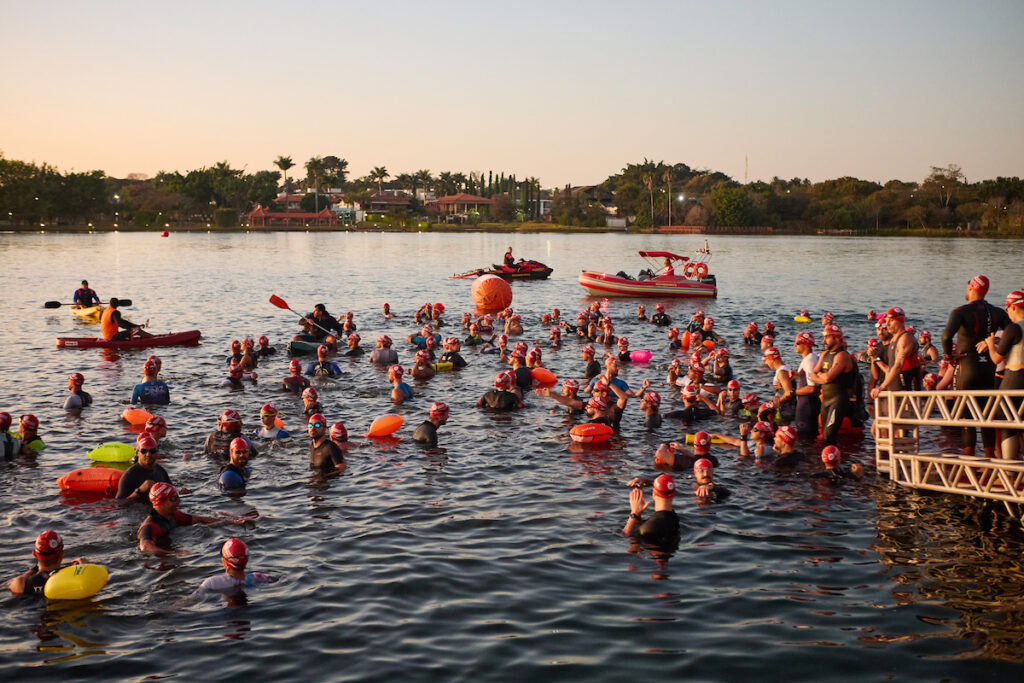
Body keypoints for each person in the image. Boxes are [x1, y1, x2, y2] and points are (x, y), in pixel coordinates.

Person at [942, 275, 1011, 457]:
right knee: (987, 416)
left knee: (967, 417)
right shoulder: (997, 312)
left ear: (972, 288)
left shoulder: (960, 311)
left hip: (967, 366)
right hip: (989, 367)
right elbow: (1013, 331)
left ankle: (970, 465)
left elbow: (946, 337)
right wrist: (995, 339)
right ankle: (989, 461)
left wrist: (949, 356)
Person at [138, 483, 244, 556]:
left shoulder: (174, 515)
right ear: (160, 502)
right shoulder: (150, 526)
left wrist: (232, 522)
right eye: (174, 499)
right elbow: (145, 548)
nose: (179, 502)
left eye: (177, 497)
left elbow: (200, 519)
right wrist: (175, 554)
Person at [979, 290, 1024, 459]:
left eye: (1007, 309)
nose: (1008, 314)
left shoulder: (1013, 328)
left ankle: (1009, 471)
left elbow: (997, 358)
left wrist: (991, 344)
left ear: (1012, 307)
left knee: (1006, 422)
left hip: (1014, 377)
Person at [810, 324, 855, 446]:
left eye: (827, 337)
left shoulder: (842, 355)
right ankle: (829, 461)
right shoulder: (825, 354)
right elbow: (812, 375)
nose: (823, 341)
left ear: (836, 338)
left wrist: (821, 376)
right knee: (824, 435)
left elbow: (828, 378)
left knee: (829, 435)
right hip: (826, 400)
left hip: (838, 400)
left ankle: (835, 461)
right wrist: (822, 377)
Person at [8, 531, 84, 596]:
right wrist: (83, 567)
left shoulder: (19, 584)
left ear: (34, 554)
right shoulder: (71, 578)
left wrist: (33, 570)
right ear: (61, 554)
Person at [193, 538, 273, 598]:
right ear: (246, 559)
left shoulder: (212, 583)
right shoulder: (259, 578)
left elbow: (192, 599)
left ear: (225, 561)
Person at [871, 306, 920, 397]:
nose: (887, 324)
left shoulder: (905, 338)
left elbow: (898, 366)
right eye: (886, 321)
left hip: (903, 391)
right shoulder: (894, 339)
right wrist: (876, 359)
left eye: (891, 321)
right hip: (892, 390)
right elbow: (890, 369)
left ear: (900, 321)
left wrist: (882, 387)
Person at [622, 474, 679, 548]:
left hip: (651, 557)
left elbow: (626, 537)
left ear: (654, 493)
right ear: (673, 494)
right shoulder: (673, 517)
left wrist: (634, 514)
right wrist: (650, 482)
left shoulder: (649, 527)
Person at [116, 433, 173, 504]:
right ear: (138, 453)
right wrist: (139, 491)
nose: (148, 454)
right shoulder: (129, 476)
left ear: (157, 452)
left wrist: (182, 493)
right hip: (139, 512)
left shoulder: (160, 470)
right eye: (143, 451)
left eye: (152, 451)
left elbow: (171, 492)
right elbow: (119, 504)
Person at [793, 332, 821, 435]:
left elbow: (812, 387)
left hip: (807, 404)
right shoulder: (811, 358)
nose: (794, 345)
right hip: (809, 403)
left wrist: (793, 392)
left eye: (797, 343)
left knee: (805, 435)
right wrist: (796, 374)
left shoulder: (809, 360)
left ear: (806, 345)